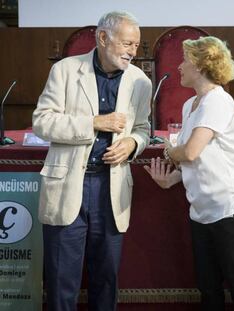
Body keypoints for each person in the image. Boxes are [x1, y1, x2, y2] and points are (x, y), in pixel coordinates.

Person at [32, 11, 151, 311]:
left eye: (136, 45)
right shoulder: (65, 70)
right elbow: (42, 122)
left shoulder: (140, 81)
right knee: (61, 280)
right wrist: (94, 123)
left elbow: (143, 129)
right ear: (102, 38)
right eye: (127, 43)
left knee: (106, 278)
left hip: (111, 189)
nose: (132, 52)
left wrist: (132, 143)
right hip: (68, 185)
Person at [144, 36, 234, 310]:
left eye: (185, 60)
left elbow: (189, 152)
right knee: (208, 289)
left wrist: (167, 150)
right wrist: (171, 179)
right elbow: (198, 159)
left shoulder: (218, 101)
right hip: (201, 210)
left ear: (200, 65)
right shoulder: (190, 105)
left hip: (229, 208)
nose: (180, 67)